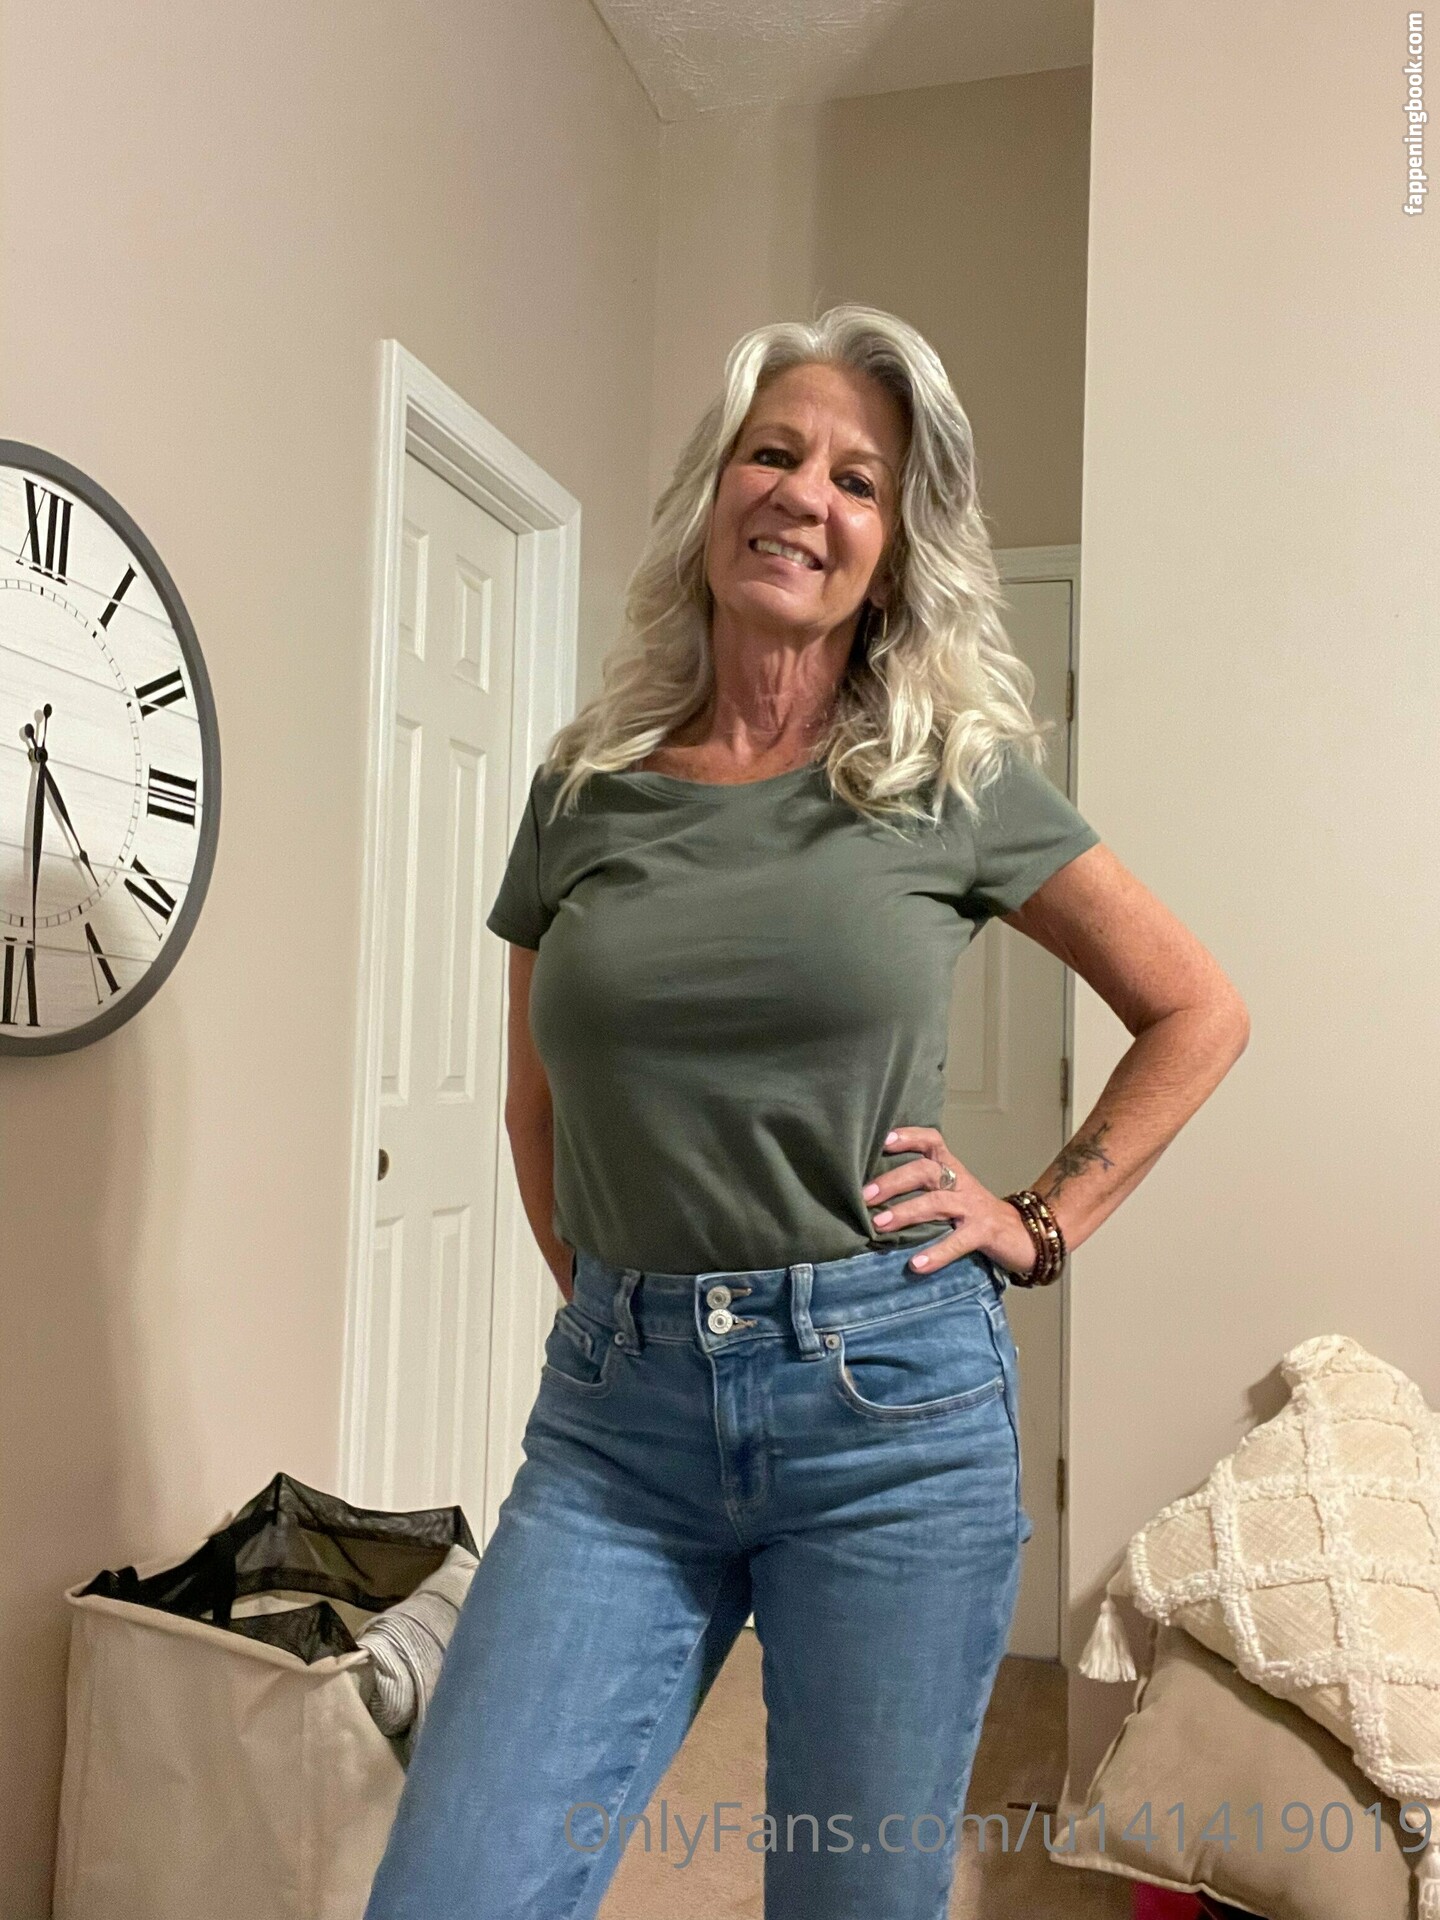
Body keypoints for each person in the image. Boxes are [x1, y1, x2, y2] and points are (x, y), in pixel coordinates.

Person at [362, 304, 1250, 1920]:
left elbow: (1197, 1008)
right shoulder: (581, 790)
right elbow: (536, 1095)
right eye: (773, 453)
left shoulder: (951, 780)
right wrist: (625, 1310)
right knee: (450, 1887)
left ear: (891, 557)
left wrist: (1040, 1221)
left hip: (890, 1412)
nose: (804, 495)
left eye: (858, 480)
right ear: (716, 494)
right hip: (616, 1426)